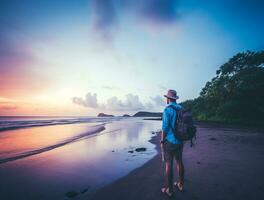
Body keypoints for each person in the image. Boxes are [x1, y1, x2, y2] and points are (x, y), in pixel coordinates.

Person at [161, 89, 184, 197]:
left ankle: (169, 190)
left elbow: (165, 128)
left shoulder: (167, 109)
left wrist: (162, 141)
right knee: (179, 162)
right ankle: (180, 184)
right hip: (180, 140)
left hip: (170, 141)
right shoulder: (181, 108)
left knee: (168, 164)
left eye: (166, 97)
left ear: (168, 98)